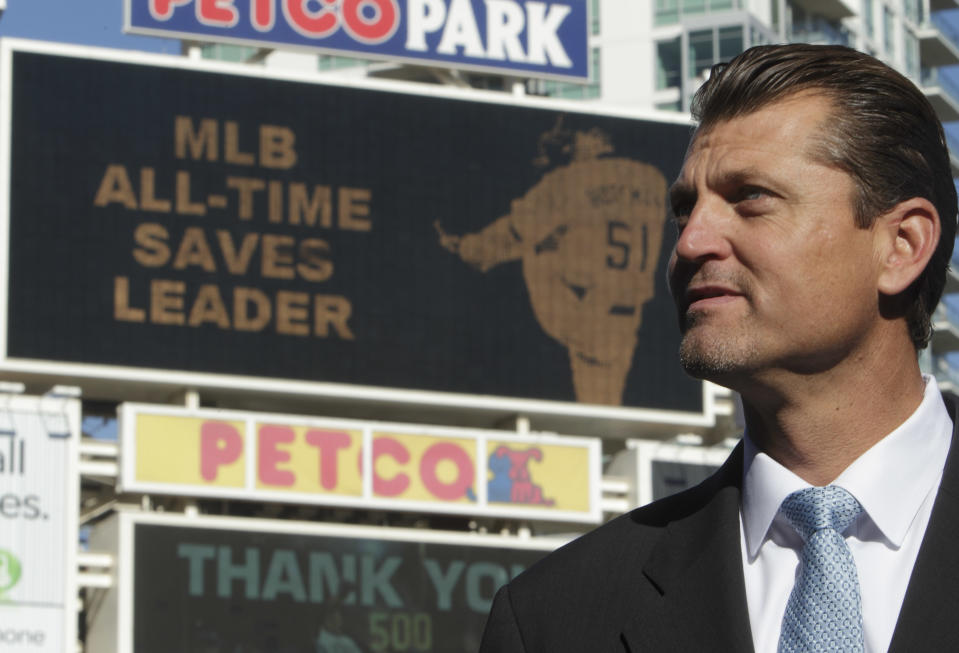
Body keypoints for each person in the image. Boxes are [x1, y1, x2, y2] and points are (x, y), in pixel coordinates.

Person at [478, 43, 959, 652]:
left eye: (750, 196)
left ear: (902, 246)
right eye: (685, 210)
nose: (690, 241)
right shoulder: (555, 618)